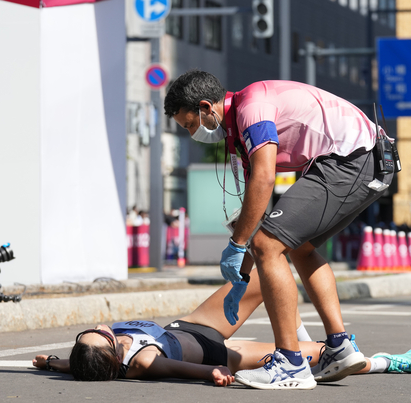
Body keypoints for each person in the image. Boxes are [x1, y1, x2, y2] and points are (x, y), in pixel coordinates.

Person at [164, 70, 396, 389]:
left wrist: (237, 245)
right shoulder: (238, 130)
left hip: (352, 159)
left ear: (206, 107)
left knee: (269, 244)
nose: (193, 133)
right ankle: (339, 348)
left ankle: (290, 363)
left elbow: (264, 180)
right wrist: (240, 280)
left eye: (190, 124)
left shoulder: (251, 108)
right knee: (294, 244)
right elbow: (255, 208)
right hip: (363, 159)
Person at [32, 268, 411, 386]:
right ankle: (385, 362)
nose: (102, 325)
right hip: (216, 354)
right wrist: (215, 373)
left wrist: (53, 362)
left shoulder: (90, 359)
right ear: (113, 353)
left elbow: (81, 366)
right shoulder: (144, 361)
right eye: (101, 333)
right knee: (325, 361)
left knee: (267, 273)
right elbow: (177, 369)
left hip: (192, 325)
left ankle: (300, 335)